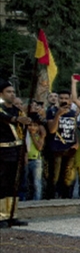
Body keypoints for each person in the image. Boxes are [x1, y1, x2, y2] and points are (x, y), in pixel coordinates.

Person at [0, 79, 31, 227]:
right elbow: (5, 119)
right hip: (2, 150)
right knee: (2, 184)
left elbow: (21, 133)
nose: (12, 94)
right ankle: (1, 216)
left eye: (13, 92)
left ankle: (12, 214)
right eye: (8, 92)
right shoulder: (2, 110)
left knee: (14, 184)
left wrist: (24, 152)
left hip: (16, 150)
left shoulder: (17, 110)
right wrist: (16, 119)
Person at [45, 90, 79, 199]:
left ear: (69, 100)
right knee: (54, 177)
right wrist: (58, 115)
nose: (64, 100)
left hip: (70, 148)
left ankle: (66, 199)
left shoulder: (73, 113)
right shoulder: (52, 111)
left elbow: (74, 129)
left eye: (66, 98)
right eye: (61, 98)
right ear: (58, 100)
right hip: (56, 148)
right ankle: (50, 199)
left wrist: (77, 142)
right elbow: (51, 130)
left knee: (68, 178)